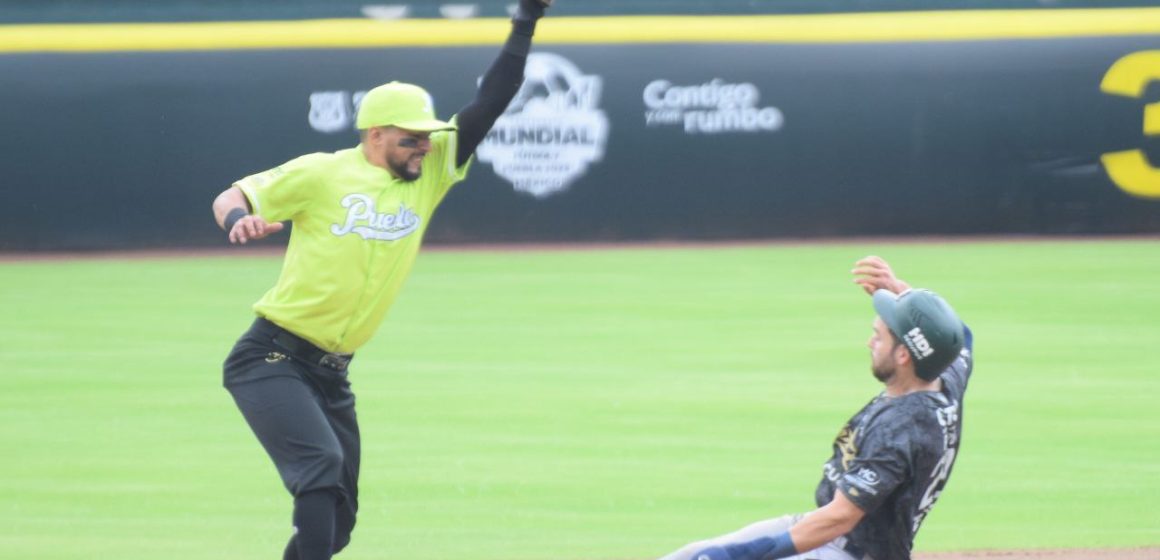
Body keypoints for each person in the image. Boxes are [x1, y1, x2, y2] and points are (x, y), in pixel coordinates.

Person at [209, 2, 554, 558]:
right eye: (410, 137)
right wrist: (238, 219)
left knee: (336, 525)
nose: (424, 145)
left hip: (332, 373)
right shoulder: (322, 171)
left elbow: (491, 101)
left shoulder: (432, 170)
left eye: (427, 136)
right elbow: (231, 196)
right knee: (319, 470)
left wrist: (525, 22)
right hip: (269, 357)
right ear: (375, 135)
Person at [658, 256, 974, 560]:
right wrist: (904, 296)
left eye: (878, 337)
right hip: (822, 528)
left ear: (904, 355)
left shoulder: (900, 429)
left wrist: (743, 555)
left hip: (845, 548)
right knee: (690, 555)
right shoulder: (943, 376)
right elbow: (960, 339)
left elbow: (841, 517)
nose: (869, 343)